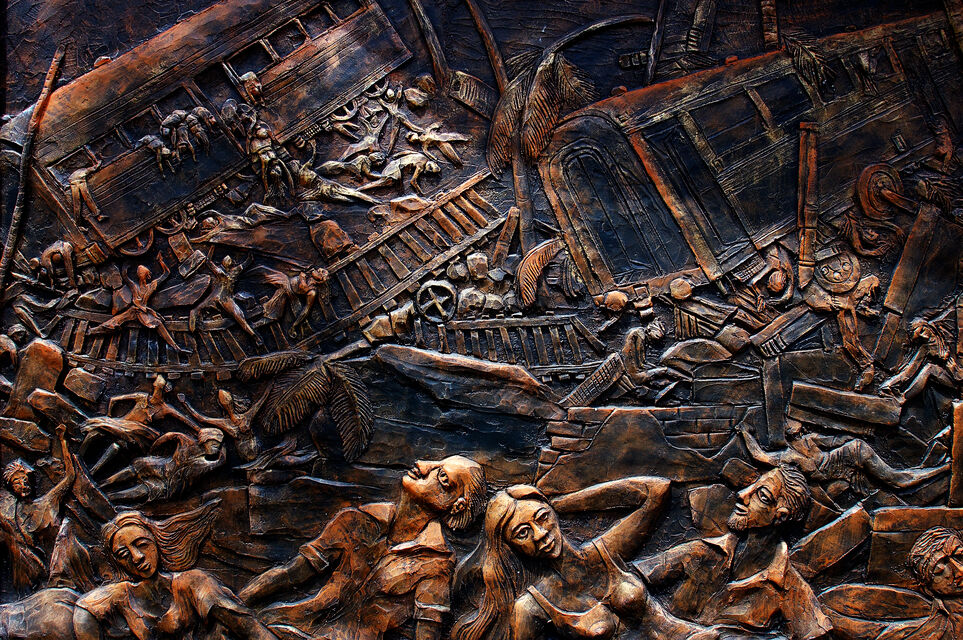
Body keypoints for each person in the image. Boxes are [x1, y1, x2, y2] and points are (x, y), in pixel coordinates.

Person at [239, 456, 487, 640]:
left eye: (441, 476)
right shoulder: (356, 521)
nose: (422, 465)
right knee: (214, 597)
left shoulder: (437, 564)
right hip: (284, 626)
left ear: (456, 505)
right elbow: (290, 573)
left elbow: (427, 633)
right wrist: (239, 603)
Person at [452, 478, 716, 640]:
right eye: (522, 533)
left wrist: (563, 504)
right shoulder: (530, 608)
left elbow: (656, 490)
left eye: (543, 517)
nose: (540, 534)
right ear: (511, 547)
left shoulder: (605, 551)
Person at [636, 465, 832, 640]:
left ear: (780, 516)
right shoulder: (701, 552)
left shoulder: (792, 590)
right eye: (751, 486)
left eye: (761, 495)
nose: (742, 495)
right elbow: (631, 582)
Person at [72, 503, 279, 640]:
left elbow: (247, 627)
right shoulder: (123, 595)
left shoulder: (192, 583)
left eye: (142, 544)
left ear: (156, 540)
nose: (137, 557)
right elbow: (84, 609)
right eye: (123, 554)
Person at [739, 421, 948, 499]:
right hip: (853, 456)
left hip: (855, 454)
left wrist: (745, 432)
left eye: (793, 424)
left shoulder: (804, 443)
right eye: (791, 425)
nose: (794, 427)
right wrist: (745, 433)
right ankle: (935, 467)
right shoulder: (792, 454)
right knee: (896, 480)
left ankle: (942, 469)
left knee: (897, 481)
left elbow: (759, 455)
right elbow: (759, 456)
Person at [0, 425, 76, 592]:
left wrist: (63, 442)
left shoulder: (47, 502)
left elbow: (70, 477)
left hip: (56, 571)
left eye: (25, 479)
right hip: (25, 575)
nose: (23, 484)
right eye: (17, 482)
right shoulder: (9, 517)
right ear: (11, 488)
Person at [88, 259, 190, 354]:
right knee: (114, 321)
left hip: (144, 313)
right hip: (133, 311)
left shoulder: (151, 286)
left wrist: (161, 261)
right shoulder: (135, 286)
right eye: (140, 273)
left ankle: (176, 348)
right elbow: (125, 277)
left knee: (159, 324)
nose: (142, 276)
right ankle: (92, 331)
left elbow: (166, 274)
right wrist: (126, 264)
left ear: (147, 275)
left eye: (143, 273)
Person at [179, 388, 268, 462]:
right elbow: (201, 418)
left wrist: (271, 386)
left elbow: (261, 401)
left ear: (232, 400)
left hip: (255, 448)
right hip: (242, 453)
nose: (226, 403)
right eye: (223, 401)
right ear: (221, 404)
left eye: (227, 399)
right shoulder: (224, 423)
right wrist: (185, 403)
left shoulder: (246, 416)